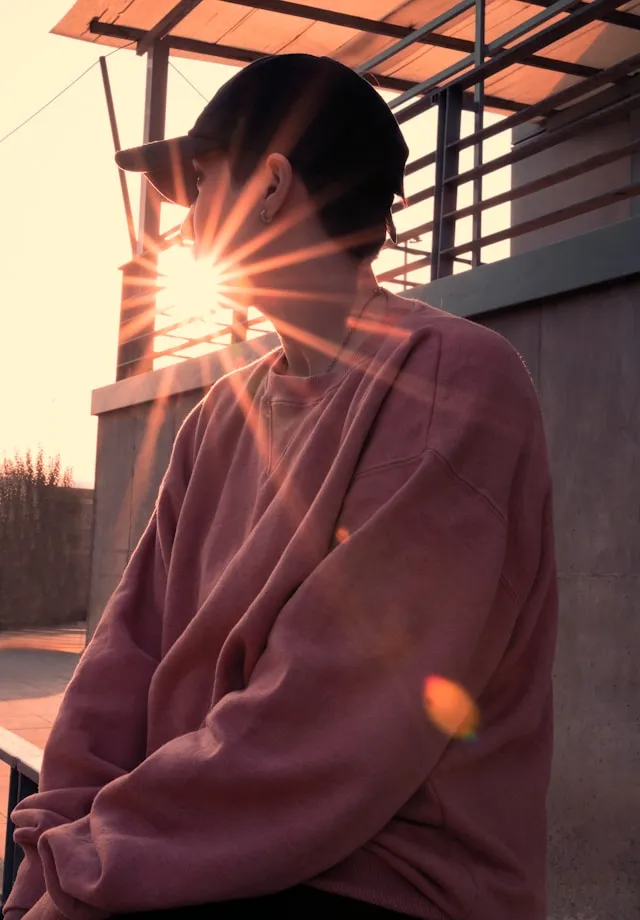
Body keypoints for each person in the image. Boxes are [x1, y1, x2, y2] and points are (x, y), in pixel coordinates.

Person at [3, 54, 557, 920]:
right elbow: (120, 668)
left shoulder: (449, 382)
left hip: (381, 883)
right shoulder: (220, 418)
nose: (184, 231)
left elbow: (327, 730)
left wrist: (91, 867)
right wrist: (49, 852)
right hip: (185, 855)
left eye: (201, 190)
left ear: (268, 186)